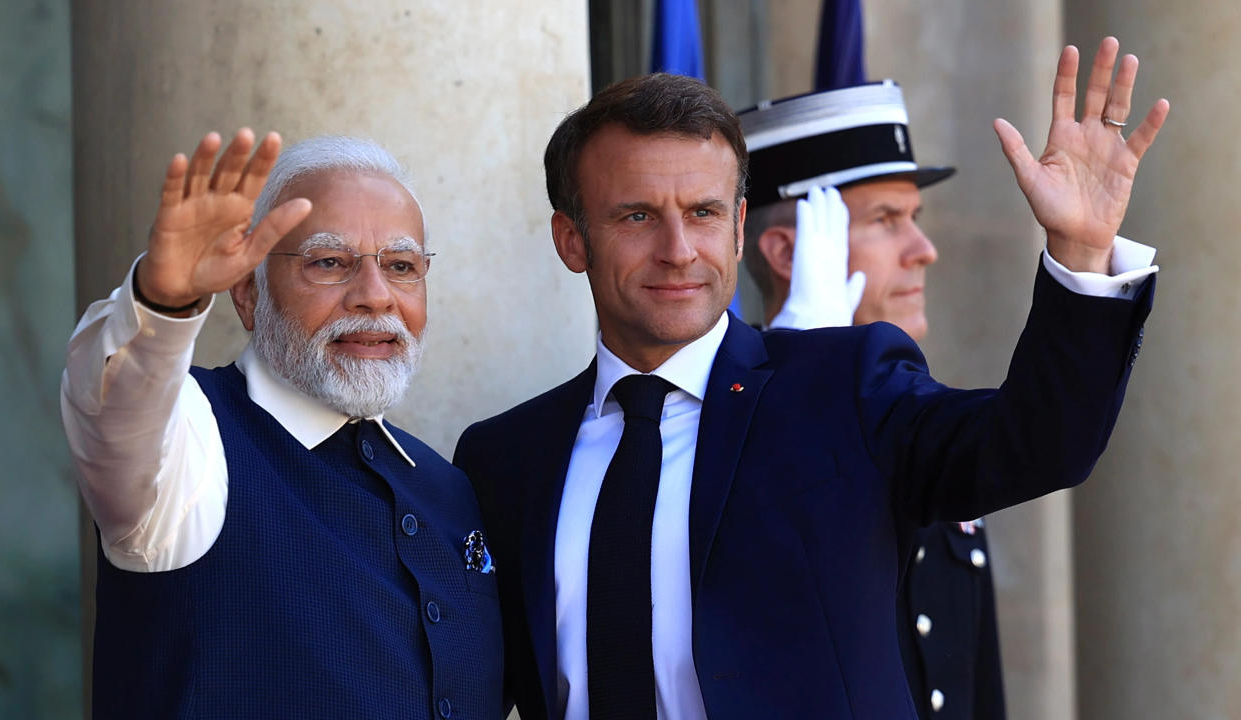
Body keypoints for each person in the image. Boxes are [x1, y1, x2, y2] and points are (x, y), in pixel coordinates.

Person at [454, 37, 1166, 720]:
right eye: (637, 216)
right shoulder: (505, 460)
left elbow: (1037, 445)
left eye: (703, 214)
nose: (678, 250)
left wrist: (1079, 252)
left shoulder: (844, 388)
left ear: (737, 229)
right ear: (572, 240)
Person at [60, 131, 502, 719]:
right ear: (248, 294)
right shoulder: (192, 436)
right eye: (329, 262)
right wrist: (162, 302)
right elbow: (112, 403)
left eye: (401, 266)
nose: (375, 297)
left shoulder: (445, 486)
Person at [739, 81, 1005, 719]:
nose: (925, 250)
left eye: (914, 218)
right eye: (887, 221)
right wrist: (801, 370)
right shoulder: (723, 428)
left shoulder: (924, 422)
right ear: (790, 252)